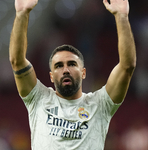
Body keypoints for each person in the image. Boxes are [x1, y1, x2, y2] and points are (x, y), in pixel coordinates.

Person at [9, 0, 136, 149]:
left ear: (83, 73)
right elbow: (17, 61)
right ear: (51, 76)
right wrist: (22, 14)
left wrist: (122, 17)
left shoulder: (100, 104)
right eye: (58, 66)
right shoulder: (38, 99)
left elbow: (127, 66)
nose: (65, 70)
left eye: (72, 64)